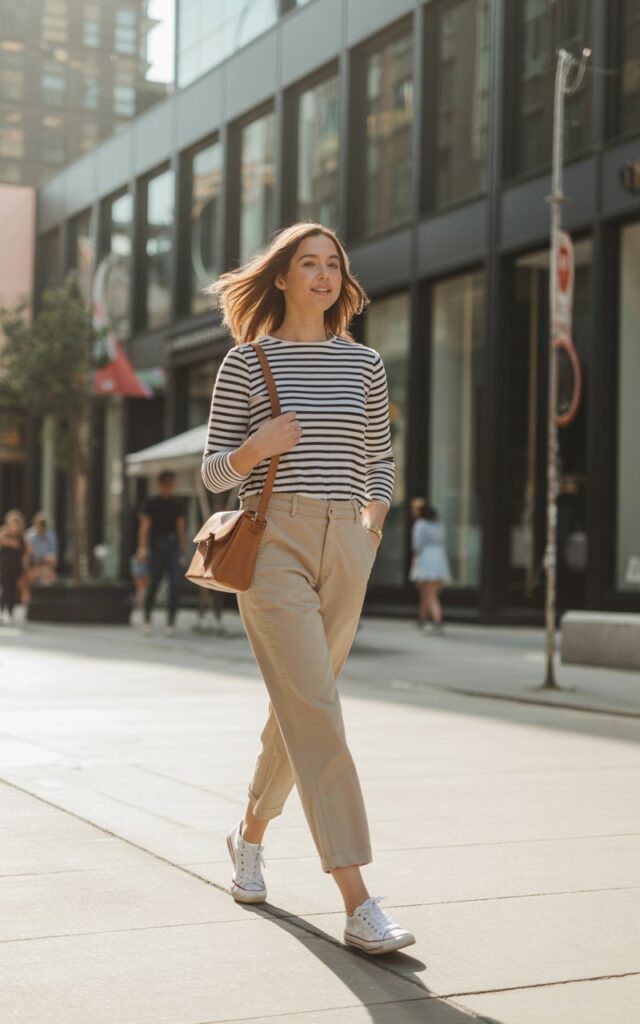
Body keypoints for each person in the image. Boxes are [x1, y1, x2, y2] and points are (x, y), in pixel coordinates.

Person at [201, 222, 415, 955]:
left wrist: (371, 527)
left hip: (347, 542)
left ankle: (249, 835)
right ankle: (358, 899)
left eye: (333, 264)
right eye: (308, 263)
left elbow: (380, 462)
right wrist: (258, 447)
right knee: (318, 709)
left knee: (299, 706)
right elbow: (212, 472)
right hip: (274, 544)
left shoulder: (365, 366)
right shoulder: (247, 361)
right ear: (283, 278)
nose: (323, 275)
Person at [136, 471, 186, 636]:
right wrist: (142, 548)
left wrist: (182, 550)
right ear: (160, 484)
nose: (168, 487)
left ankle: (170, 623)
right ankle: (147, 619)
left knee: (174, 585)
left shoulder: (177, 504)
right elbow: (145, 526)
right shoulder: (151, 502)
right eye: (165, 483)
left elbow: (181, 528)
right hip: (156, 546)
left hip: (172, 546)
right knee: (154, 583)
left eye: (170, 483)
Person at [409, 497, 450, 634]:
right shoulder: (438, 524)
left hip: (426, 558)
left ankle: (437, 622)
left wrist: (415, 563)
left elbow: (417, 546)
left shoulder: (420, 525)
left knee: (430, 593)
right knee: (426, 592)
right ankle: (422, 619)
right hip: (439, 558)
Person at [0, 510, 31, 625]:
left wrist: (25, 563)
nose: (15, 527)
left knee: (15, 590)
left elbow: (27, 551)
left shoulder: (23, 538)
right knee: (6, 588)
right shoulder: (4, 534)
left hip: (17, 567)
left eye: (17, 524)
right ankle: (4, 610)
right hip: (5, 567)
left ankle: (12, 611)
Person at [26, 511, 58, 586]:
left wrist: (45, 559)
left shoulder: (51, 536)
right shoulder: (29, 536)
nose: (41, 527)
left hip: (46, 565)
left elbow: (54, 557)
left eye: (43, 524)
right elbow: (29, 555)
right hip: (33, 564)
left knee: (51, 576)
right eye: (39, 524)